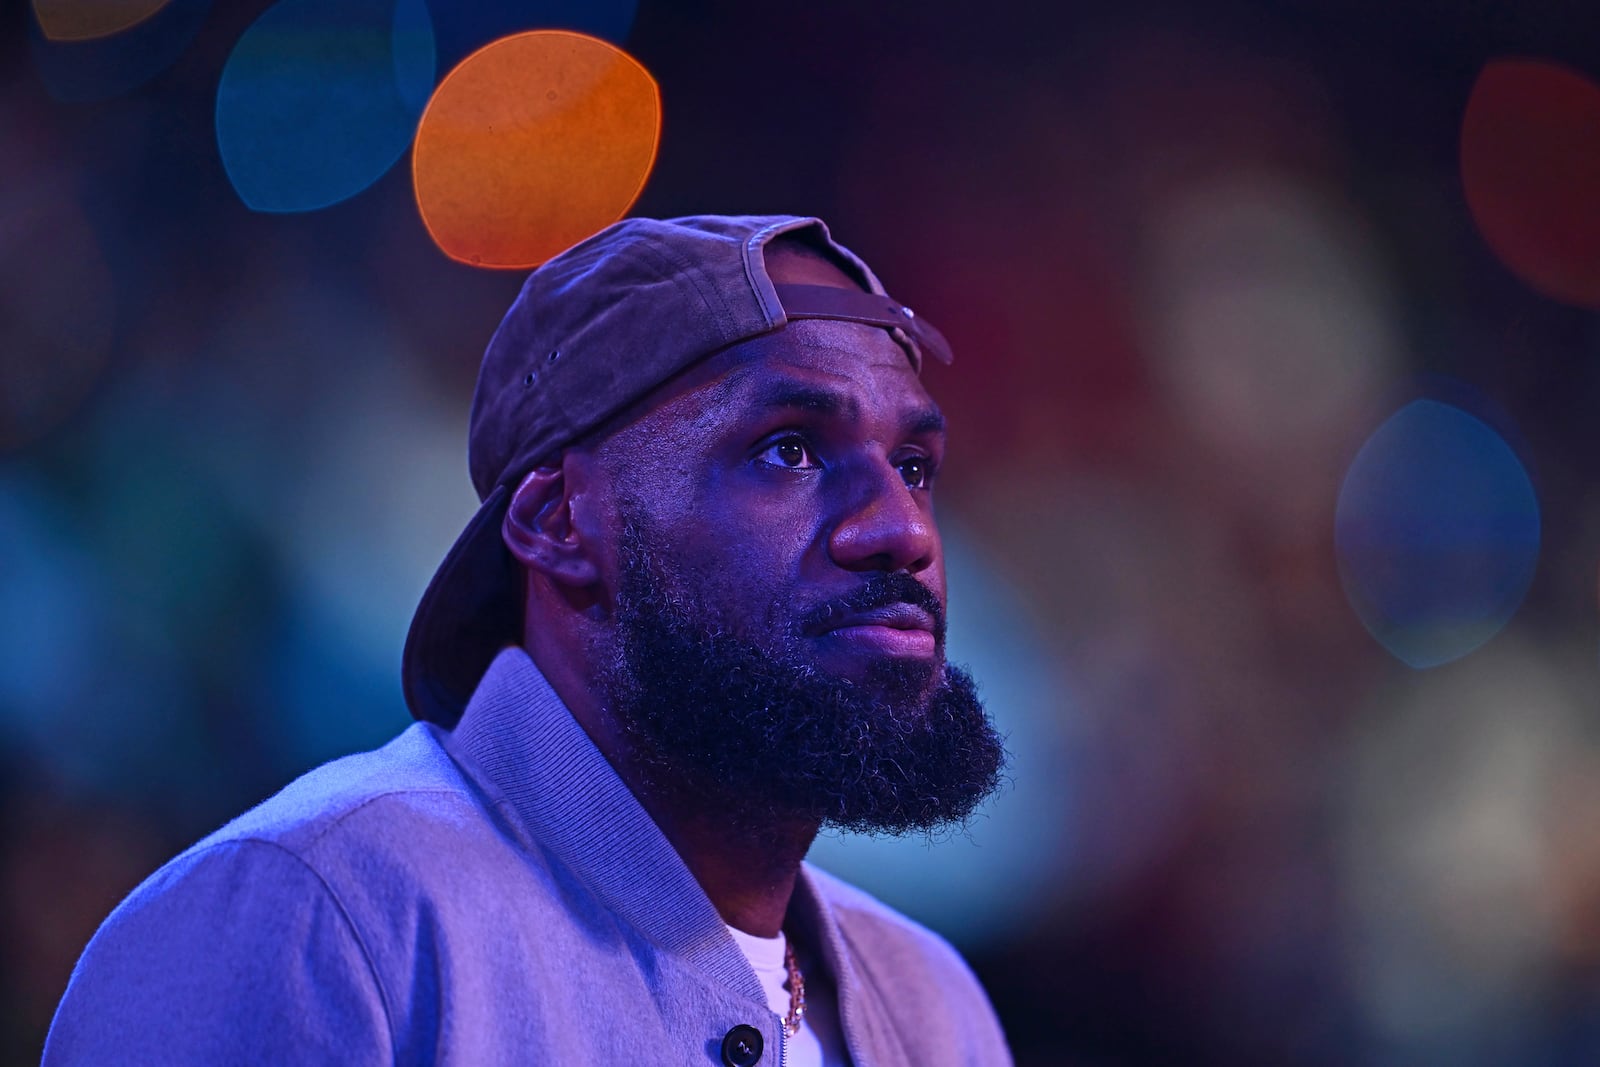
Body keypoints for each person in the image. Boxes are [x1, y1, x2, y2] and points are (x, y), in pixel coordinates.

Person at [43, 215, 1011, 1066]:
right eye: (787, 450)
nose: (902, 529)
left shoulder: (931, 1001)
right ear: (557, 522)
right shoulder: (311, 921)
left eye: (914, 466)